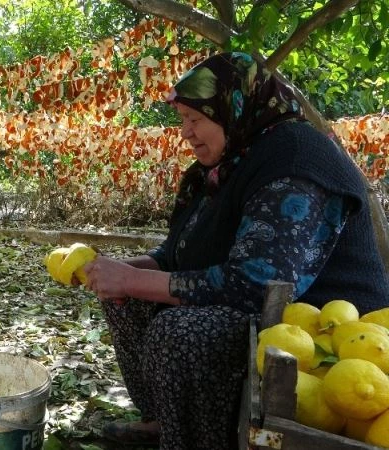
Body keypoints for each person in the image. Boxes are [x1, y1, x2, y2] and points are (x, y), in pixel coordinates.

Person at [81, 51, 389, 450]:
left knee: (183, 333)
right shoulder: (225, 166)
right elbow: (179, 256)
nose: (185, 133)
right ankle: (168, 421)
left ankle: (198, 440)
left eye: (195, 120)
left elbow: (258, 285)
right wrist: (124, 271)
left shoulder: (295, 159)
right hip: (265, 316)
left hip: (324, 331)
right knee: (127, 299)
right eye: (182, 121)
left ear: (233, 108)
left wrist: (134, 278)